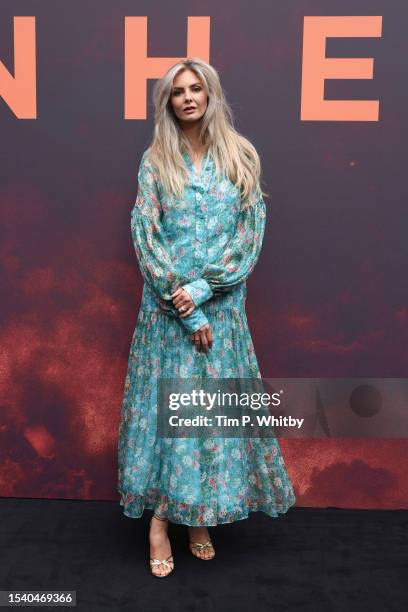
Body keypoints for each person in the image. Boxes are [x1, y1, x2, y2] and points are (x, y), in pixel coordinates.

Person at [117, 58, 296, 578]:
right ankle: (160, 523)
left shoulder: (241, 157)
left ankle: (197, 518)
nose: (189, 98)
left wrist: (201, 292)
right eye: (178, 91)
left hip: (222, 310)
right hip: (166, 313)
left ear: (212, 94)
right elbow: (145, 237)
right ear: (167, 102)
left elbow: (249, 239)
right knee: (169, 422)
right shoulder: (155, 162)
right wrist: (181, 300)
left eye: (197, 88)